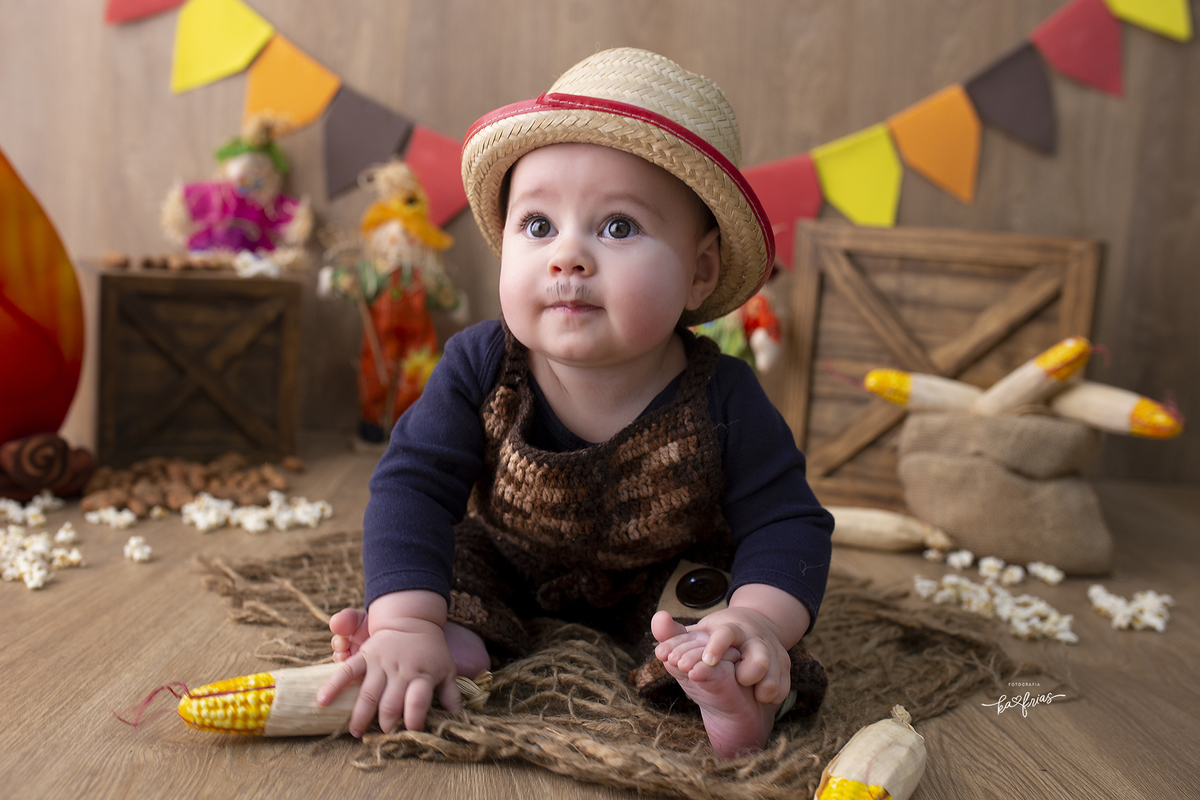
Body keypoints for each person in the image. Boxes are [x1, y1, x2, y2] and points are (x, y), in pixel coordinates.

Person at [317, 48, 834, 759]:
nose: (568, 256)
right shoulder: (480, 364)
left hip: (664, 573)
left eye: (618, 227)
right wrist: (404, 618)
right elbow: (413, 486)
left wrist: (761, 620)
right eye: (537, 226)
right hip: (511, 554)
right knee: (446, 574)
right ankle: (439, 647)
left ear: (700, 271)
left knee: (708, 620)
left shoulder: (724, 396)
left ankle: (732, 697)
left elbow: (788, 520)